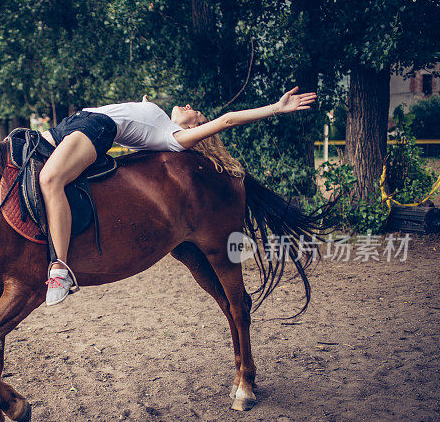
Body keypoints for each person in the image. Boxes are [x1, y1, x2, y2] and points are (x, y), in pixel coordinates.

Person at [39, 86, 317, 306]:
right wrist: (144, 106)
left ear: (193, 128)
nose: (190, 108)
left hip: (94, 128)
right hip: (75, 122)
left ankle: (60, 270)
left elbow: (227, 120)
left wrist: (276, 108)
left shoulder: (174, 136)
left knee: (51, 179)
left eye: (196, 114)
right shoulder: (159, 118)